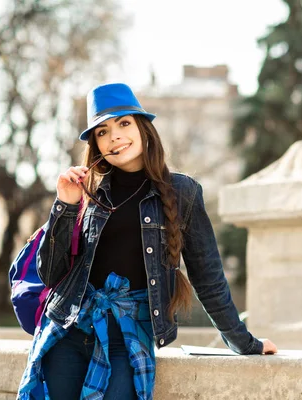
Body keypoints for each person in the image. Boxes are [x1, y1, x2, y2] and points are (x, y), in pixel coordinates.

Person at [16, 83, 278, 400]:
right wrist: (65, 206)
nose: (114, 136)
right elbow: (51, 274)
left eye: (124, 123)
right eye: (102, 131)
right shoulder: (86, 192)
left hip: (126, 337)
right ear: (96, 144)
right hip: (68, 330)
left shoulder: (183, 192)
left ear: (142, 129)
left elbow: (208, 277)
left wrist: (244, 342)